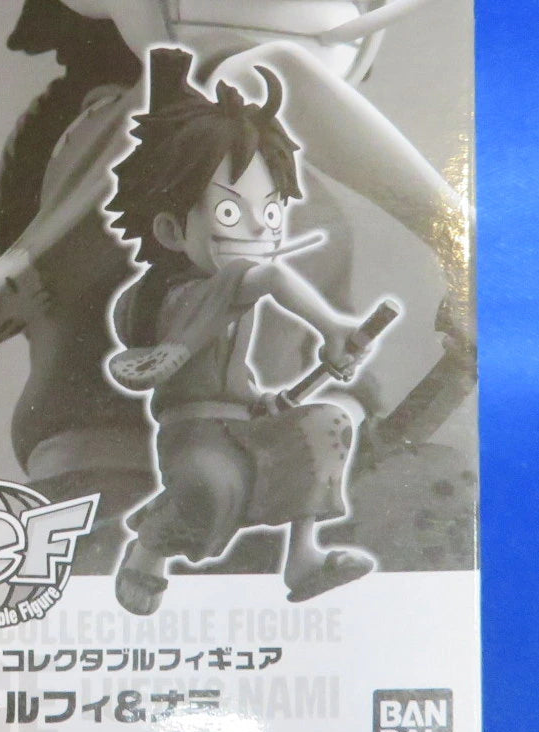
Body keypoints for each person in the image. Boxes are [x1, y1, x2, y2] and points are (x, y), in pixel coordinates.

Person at [0, 0, 473, 570]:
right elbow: (277, 71)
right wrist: (461, 239)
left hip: (256, 476)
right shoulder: (142, 129)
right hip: (108, 486)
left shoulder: (281, 169)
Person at [106, 48, 378, 614]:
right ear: (171, 230)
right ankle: (149, 549)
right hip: (194, 433)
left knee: (323, 425)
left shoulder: (223, 287)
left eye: (271, 212)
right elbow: (271, 276)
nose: (260, 229)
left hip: (246, 419)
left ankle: (303, 558)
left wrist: (264, 403)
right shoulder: (199, 290)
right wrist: (333, 327)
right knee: (211, 487)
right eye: (231, 214)